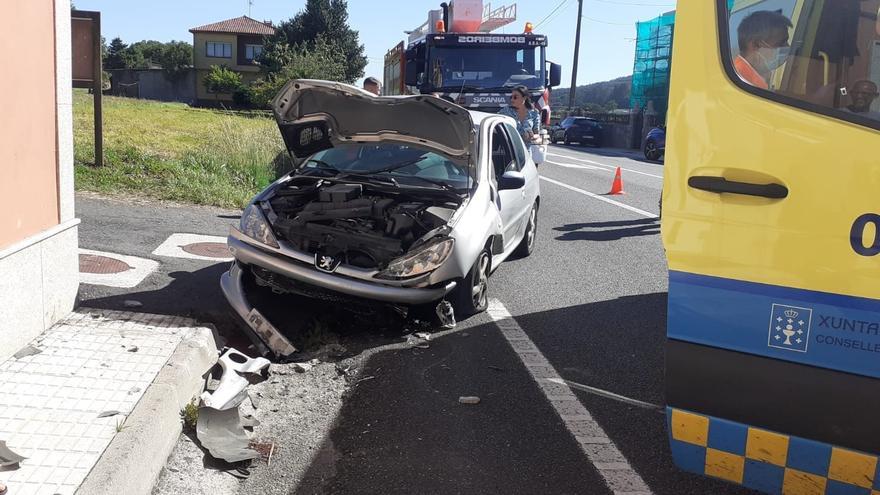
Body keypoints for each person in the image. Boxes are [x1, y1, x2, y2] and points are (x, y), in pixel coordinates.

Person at [734, 10, 793, 90]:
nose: (787, 46)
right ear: (755, 44)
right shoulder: (738, 80)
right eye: (781, 43)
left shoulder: (756, 75)